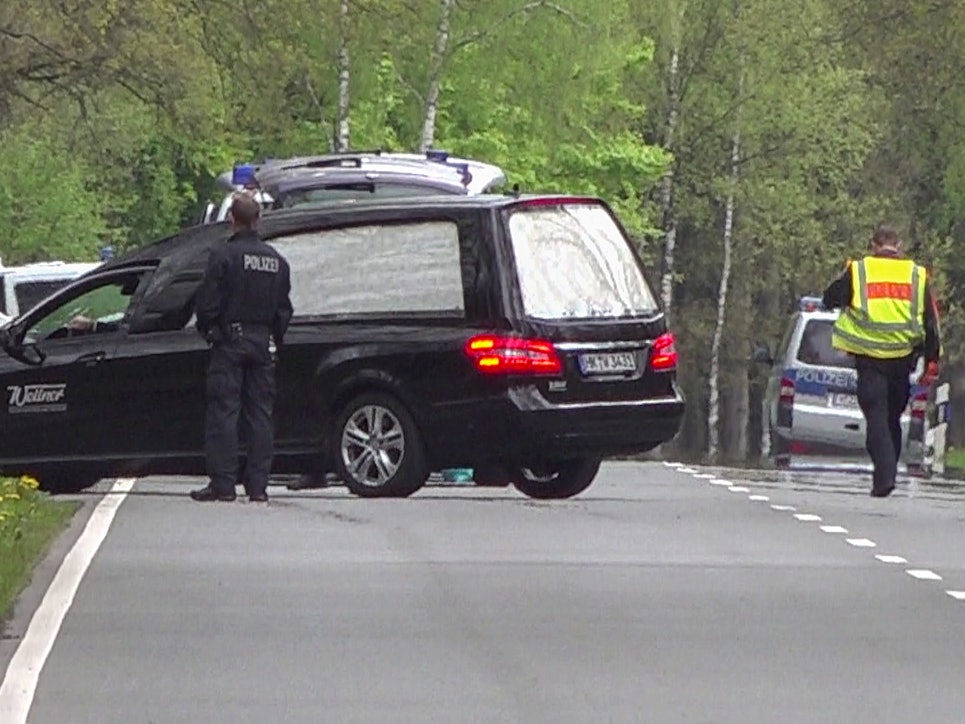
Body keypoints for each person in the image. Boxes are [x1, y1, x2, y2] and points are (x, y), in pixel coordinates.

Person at [821, 224, 942, 498]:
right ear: (898, 246)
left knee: (876, 415)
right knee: (891, 417)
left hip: (870, 358)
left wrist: (841, 284)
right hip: (902, 358)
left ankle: (885, 474)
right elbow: (930, 321)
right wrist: (932, 359)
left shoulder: (860, 271)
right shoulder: (916, 275)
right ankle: (885, 475)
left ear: (873, 245)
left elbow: (830, 299)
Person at [189, 193, 293, 503]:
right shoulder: (277, 261)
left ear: (232, 220)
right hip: (263, 343)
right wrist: (274, 336)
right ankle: (258, 486)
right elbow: (284, 310)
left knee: (224, 413)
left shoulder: (223, 256)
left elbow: (206, 304)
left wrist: (211, 332)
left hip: (230, 343)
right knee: (260, 415)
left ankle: (223, 485)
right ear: (258, 220)